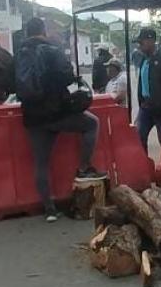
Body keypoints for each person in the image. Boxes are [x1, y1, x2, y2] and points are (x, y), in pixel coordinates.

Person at [17, 17, 106, 223]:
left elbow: (11, 83)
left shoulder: (20, 53)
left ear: (27, 32)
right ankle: (84, 168)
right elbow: (67, 76)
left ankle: (49, 209)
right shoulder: (53, 49)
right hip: (58, 113)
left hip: (32, 116)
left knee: (41, 162)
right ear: (43, 30)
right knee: (91, 123)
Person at [134, 28, 161, 151]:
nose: (139, 46)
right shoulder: (143, 59)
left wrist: (160, 101)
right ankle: (144, 166)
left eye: (141, 42)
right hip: (145, 107)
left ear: (150, 41)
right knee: (139, 136)